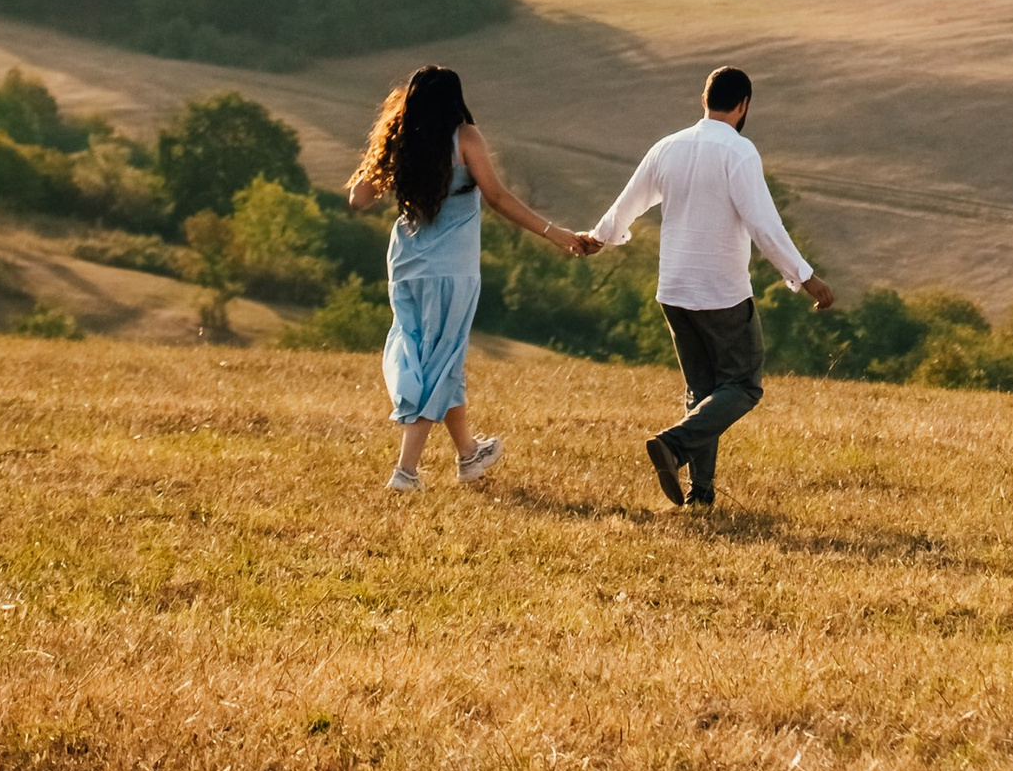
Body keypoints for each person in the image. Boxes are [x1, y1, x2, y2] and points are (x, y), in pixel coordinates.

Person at [579, 64, 835, 508]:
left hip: (673, 290)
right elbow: (763, 223)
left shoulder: (668, 147)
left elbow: (629, 200)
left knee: (703, 392)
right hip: (720, 292)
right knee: (744, 384)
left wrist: (599, 237)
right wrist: (805, 277)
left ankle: (701, 495)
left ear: (704, 99)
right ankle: (674, 445)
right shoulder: (739, 152)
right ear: (743, 106)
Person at [347, 63, 584, 491]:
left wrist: (383, 150)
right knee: (441, 362)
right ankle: (406, 471)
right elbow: (496, 196)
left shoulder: (400, 140)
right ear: (455, 100)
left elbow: (358, 198)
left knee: (431, 358)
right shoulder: (465, 138)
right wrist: (555, 233)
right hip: (452, 269)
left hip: (404, 268)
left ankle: (469, 455)